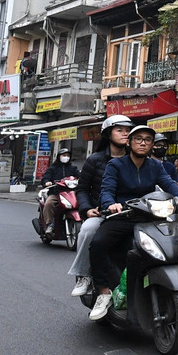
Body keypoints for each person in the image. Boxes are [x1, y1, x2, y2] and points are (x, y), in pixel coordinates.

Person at [87, 125, 178, 321]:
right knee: (98, 243)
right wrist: (110, 204)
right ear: (129, 143)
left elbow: (168, 184)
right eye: (138, 138)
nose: (143, 142)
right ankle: (103, 292)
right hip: (122, 216)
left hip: (148, 217)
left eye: (147, 139)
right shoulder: (116, 165)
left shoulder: (155, 166)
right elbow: (107, 188)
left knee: (171, 244)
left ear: (152, 145)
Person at [67, 114, 132, 297]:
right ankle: (84, 275)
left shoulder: (136, 159)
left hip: (131, 215)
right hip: (103, 214)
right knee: (87, 230)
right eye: (119, 130)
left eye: (128, 131)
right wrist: (87, 209)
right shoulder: (95, 160)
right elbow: (82, 189)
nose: (125, 134)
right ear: (108, 134)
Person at [38, 148, 80, 235]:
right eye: (64, 155)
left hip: (71, 194)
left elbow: (81, 177)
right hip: (56, 193)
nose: (66, 157)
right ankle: (49, 224)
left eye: (68, 156)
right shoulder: (52, 168)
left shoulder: (73, 168)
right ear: (59, 157)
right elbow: (45, 178)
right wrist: (47, 182)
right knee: (49, 203)